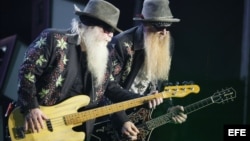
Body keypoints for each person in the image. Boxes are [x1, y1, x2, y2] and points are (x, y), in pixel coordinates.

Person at [16, 0, 163, 141]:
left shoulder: (104, 61)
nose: (111, 35)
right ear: (88, 25)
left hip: (75, 133)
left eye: (112, 31)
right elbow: (27, 72)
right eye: (106, 29)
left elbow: (111, 90)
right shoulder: (54, 39)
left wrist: (141, 100)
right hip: (38, 125)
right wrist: (31, 107)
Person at [105, 0, 188, 140]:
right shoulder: (121, 43)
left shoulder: (168, 42)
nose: (164, 32)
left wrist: (168, 107)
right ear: (144, 23)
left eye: (168, 26)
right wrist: (122, 120)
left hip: (142, 119)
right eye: (159, 27)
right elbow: (107, 87)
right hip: (113, 117)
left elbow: (162, 81)